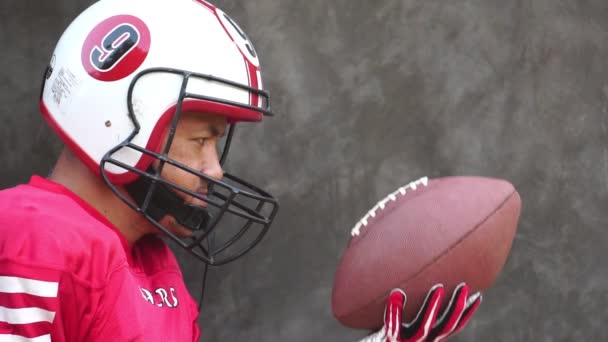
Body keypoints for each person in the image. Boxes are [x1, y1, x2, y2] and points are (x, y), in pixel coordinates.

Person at [0, 0, 480, 341]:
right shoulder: (35, 238)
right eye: (201, 139)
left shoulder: (153, 265)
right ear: (115, 123)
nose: (215, 170)